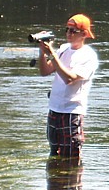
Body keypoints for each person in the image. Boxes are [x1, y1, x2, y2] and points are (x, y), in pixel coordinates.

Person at [38, 14, 99, 157]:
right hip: (54, 109)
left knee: (71, 156)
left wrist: (52, 54)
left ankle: (73, 179)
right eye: (67, 30)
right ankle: (55, 179)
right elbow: (44, 71)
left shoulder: (88, 56)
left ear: (84, 34)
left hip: (72, 112)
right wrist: (42, 53)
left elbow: (69, 79)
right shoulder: (63, 49)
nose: (68, 34)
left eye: (73, 31)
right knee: (54, 154)